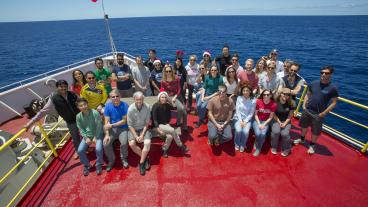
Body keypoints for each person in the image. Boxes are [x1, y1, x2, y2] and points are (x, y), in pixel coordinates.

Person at [24, 80, 81, 160]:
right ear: (57, 88)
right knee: (75, 137)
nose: (63, 88)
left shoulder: (72, 94)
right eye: (61, 87)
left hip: (80, 117)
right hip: (70, 121)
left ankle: (86, 147)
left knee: (85, 133)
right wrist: (30, 123)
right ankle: (78, 150)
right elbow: (43, 111)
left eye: (65, 86)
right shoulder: (54, 98)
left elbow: (82, 101)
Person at [294, 66, 338, 154]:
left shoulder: (332, 88)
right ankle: (302, 139)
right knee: (303, 126)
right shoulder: (314, 83)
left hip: (318, 114)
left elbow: (334, 102)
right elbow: (308, 94)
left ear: (331, 74)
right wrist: (304, 104)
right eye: (322, 72)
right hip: (307, 110)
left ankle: (312, 145)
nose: (323, 74)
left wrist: (324, 113)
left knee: (315, 131)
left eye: (326, 73)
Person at [151, 91, 189, 158]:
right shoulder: (155, 106)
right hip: (157, 126)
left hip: (166, 125)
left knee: (170, 137)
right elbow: (154, 120)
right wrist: (158, 130)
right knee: (172, 130)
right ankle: (181, 145)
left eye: (165, 97)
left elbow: (174, 108)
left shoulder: (167, 105)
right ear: (159, 98)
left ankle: (164, 150)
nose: (164, 99)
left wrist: (170, 100)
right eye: (162, 97)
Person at [75, 97, 104, 176]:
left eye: (84, 104)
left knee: (98, 149)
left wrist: (95, 137)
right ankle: (87, 165)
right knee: (80, 150)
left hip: (97, 134)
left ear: (87, 104)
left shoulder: (95, 113)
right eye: (81, 106)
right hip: (87, 136)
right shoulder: (78, 117)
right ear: (78, 107)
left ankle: (98, 164)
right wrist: (86, 137)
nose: (83, 107)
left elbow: (99, 126)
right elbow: (81, 128)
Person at [103, 89, 130, 171]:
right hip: (112, 129)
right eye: (113, 97)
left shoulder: (125, 105)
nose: (115, 98)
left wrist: (111, 125)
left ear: (120, 96)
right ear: (110, 98)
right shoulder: (107, 106)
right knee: (106, 143)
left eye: (117, 96)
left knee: (124, 142)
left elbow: (124, 121)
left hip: (123, 128)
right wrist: (107, 135)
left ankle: (123, 158)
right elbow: (106, 121)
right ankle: (111, 160)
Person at [127, 91, 151, 175]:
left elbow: (147, 123)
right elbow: (130, 125)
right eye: (137, 99)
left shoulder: (147, 107)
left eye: (141, 99)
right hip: (133, 129)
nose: (139, 101)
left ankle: (141, 163)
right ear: (134, 99)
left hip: (143, 128)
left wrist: (142, 134)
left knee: (147, 143)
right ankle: (145, 158)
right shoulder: (130, 109)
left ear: (143, 99)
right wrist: (136, 136)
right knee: (132, 144)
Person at [160, 65, 188, 130]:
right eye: (166, 71)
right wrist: (164, 96)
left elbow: (179, 89)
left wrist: (175, 96)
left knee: (184, 111)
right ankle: (178, 122)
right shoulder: (163, 80)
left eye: (170, 71)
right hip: (169, 96)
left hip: (177, 95)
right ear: (164, 72)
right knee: (181, 108)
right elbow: (162, 89)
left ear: (172, 71)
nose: (168, 73)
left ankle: (184, 125)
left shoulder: (176, 78)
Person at [270, 88, 295, 156]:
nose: (286, 96)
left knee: (285, 134)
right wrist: (279, 122)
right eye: (284, 94)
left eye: (288, 94)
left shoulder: (292, 103)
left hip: (286, 120)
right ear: (281, 93)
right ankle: (274, 146)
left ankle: (287, 148)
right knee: (276, 132)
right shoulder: (275, 101)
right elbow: (273, 113)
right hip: (276, 119)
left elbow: (290, 116)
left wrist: (285, 123)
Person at [252, 89, 277, 157]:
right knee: (257, 133)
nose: (266, 96)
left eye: (267, 94)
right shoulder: (258, 101)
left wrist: (264, 124)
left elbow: (270, 117)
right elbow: (256, 115)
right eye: (264, 94)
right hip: (257, 120)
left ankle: (258, 149)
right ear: (262, 95)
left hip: (266, 122)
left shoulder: (273, 104)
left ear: (271, 95)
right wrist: (259, 124)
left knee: (262, 134)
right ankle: (256, 140)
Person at [233, 85, 256, 152]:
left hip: (247, 119)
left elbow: (251, 113)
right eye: (244, 91)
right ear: (242, 91)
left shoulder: (253, 100)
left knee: (245, 132)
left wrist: (245, 121)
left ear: (250, 91)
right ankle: (237, 144)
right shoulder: (239, 98)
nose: (245, 92)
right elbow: (237, 110)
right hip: (238, 118)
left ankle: (243, 144)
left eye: (247, 90)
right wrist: (240, 121)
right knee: (238, 130)